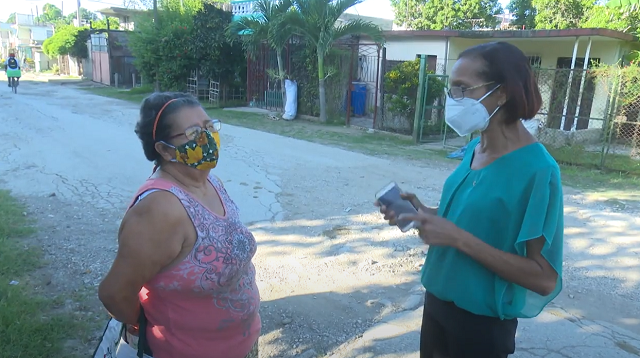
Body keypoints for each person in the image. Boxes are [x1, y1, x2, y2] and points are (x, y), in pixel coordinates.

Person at [376, 41, 563, 358]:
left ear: (502, 92)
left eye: (463, 89)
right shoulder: (476, 148)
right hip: (436, 303)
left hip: (481, 328)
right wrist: (424, 213)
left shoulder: (538, 171)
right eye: (452, 90)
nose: (453, 100)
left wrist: (458, 238)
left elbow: (544, 278)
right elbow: (473, 222)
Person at [98, 92, 261, 358]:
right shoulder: (159, 210)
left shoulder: (210, 182)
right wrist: (144, 324)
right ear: (164, 149)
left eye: (209, 127)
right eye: (194, 132)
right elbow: (114, 293)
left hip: (242, 344)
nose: (207, 137)